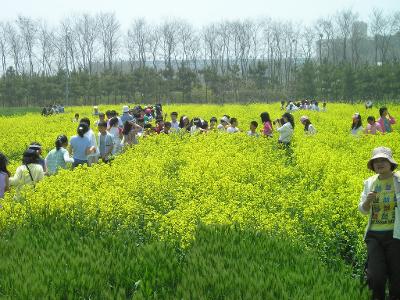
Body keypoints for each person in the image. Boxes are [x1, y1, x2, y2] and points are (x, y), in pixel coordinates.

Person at [358, 147, 400, 300]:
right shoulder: (369, 183)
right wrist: (368, 201)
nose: (379, 163)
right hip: (374, 235)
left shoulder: (399, 180)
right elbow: (362, 210)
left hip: (396, 235)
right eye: (376, 161)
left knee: (397, 275)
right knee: (375, 276)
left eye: (383, 160)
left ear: (390, 163)